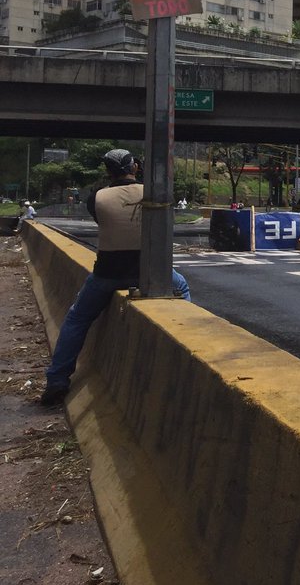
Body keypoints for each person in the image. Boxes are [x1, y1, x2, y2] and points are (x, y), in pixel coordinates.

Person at [40, 149, 191, 406]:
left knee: (77, 319)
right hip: (148, 272)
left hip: (107, 274)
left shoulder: (96, 198)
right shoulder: (154, 193)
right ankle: (187, 344)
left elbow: (108, 223)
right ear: (134, 167)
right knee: (182, 287)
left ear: (108, 171)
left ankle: (57, 380)